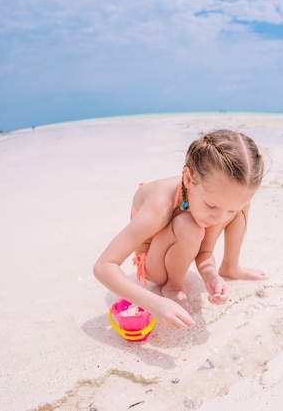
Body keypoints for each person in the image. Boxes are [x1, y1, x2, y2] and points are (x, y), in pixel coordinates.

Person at [94, 129, 266, 329]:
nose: (219, 218)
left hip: (184, 237)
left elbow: (204, 252)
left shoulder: (216, 197)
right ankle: (173, 286)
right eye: (211, 206)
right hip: (153, 264)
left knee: (238, 202)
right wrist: (154, 303)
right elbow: (103, 266)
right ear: (187, 177)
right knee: (189, 226)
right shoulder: (159, 206)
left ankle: (230, 266)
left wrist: (210, 276)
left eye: (230, 212)